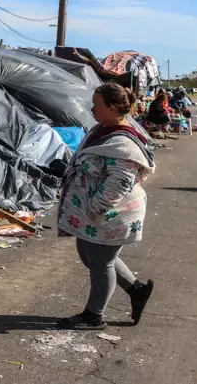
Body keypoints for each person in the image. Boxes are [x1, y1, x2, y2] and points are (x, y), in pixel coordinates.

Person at [57, 83, 156, 330]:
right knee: (90, 255)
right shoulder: (103, 129)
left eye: (97, 104)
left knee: (102, 262)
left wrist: (95, 208)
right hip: (95, 212)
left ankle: (94, 315)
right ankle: (137, 290)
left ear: (112, 108)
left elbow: (120, 181)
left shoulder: (124, 142)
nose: (91, 108)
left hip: (112, 212)